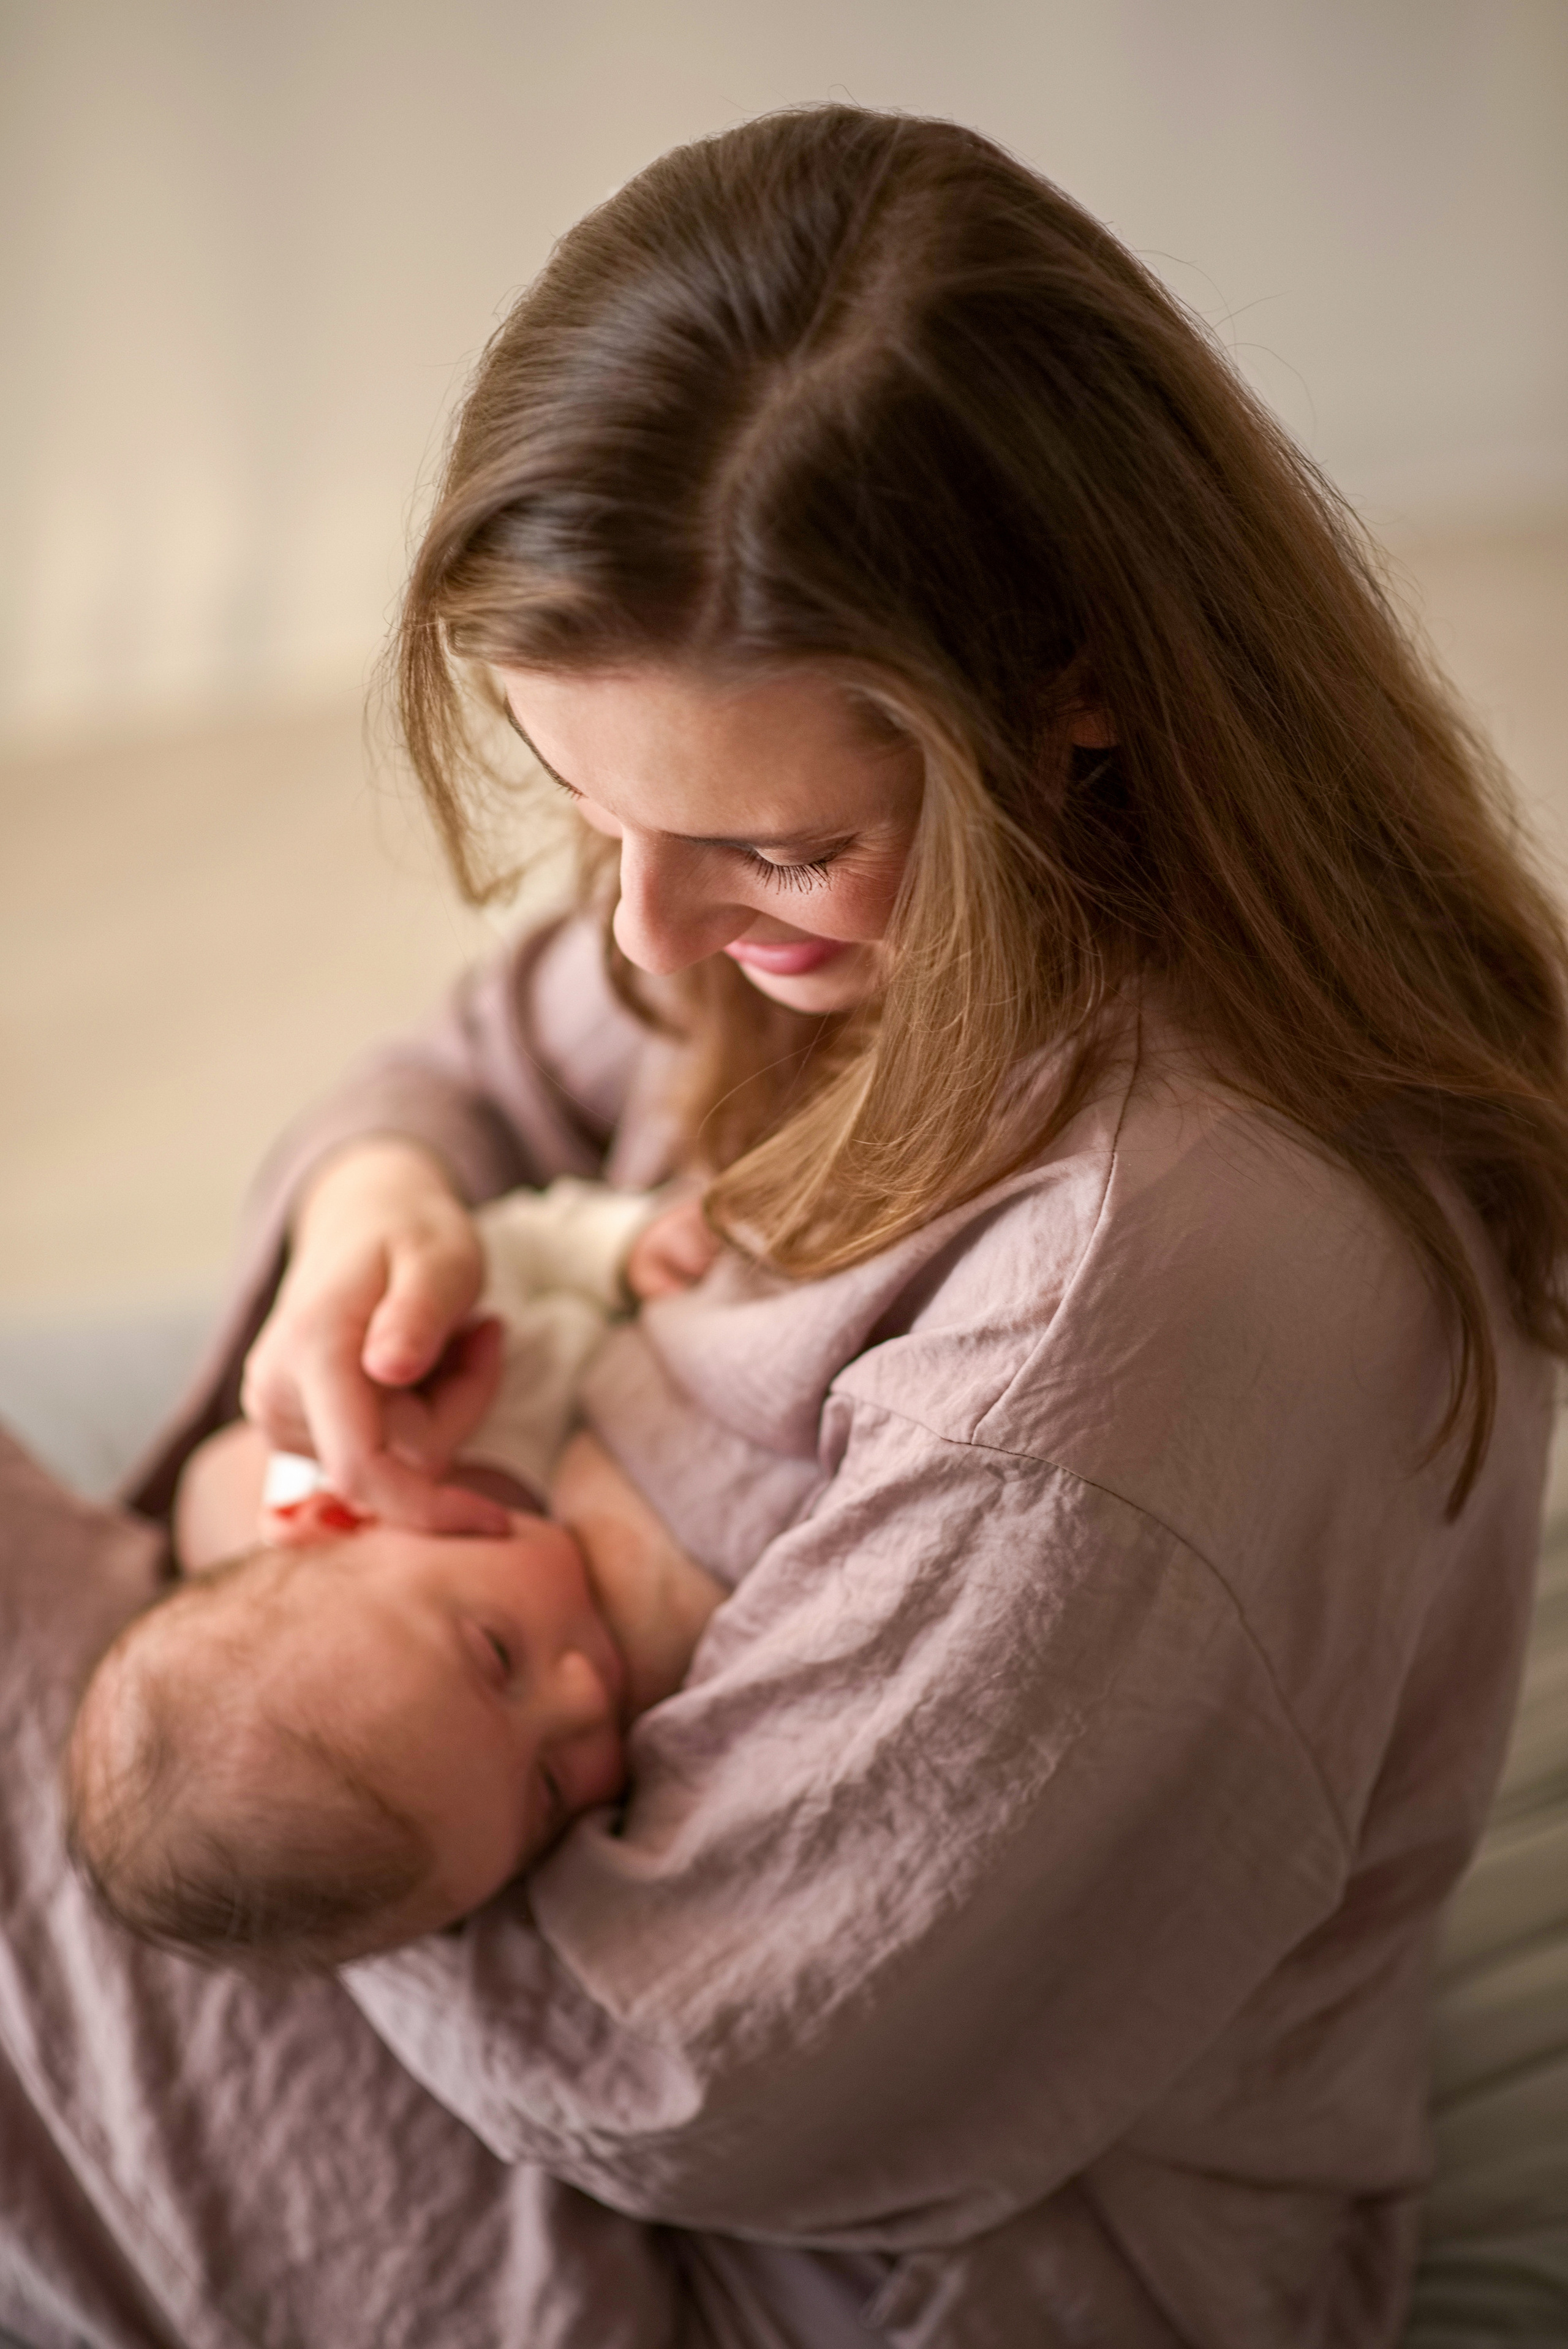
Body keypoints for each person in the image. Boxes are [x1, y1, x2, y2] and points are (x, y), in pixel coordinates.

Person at [4, 101, 1568, 2349]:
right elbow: (481, 1059)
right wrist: (375, 1202)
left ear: (1080, 689)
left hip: (849, 2254)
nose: (642, 933)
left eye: (773, 847)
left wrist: (316, 1791)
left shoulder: (1120, 1336)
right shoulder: (898, 889)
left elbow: (698, 2060)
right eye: (585, 801)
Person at [63, 1184, 727, 1972]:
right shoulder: (400, 1636)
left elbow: (511, 1249)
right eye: (549, 1789)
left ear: (339, 1518)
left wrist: (618, 1247)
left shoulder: (399, 1400)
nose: (585, 1695)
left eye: (497, 1654)